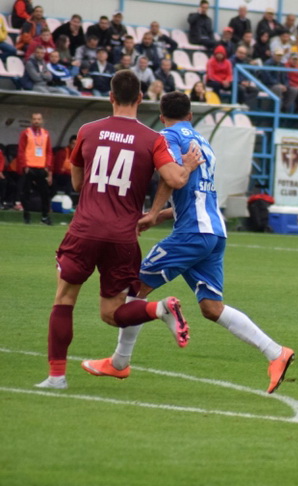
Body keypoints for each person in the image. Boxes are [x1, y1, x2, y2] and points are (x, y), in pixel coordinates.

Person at [80, 90, 295, 393]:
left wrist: (153, 212)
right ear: (191, 116)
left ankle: (119, 363)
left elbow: (172, 178)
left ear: (162, 115)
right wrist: (161, 216)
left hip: (192, 234)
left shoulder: (166, 136)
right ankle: (276, 353)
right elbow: (194, 195)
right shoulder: (204, 143)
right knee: (211, 306)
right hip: (214, 232)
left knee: (135, 289)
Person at [34, 70, 201, 390]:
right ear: (140, 98)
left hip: (85, 229)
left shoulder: (87, 131)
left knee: (64, 298)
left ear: (110, 97)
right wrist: (189, 166)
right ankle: (158, 308)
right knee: (112, 312)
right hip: (124, 235)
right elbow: (175, 179)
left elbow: (78, 183)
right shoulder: (153, 139)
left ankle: (56, 377)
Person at [17, 112, 53, 224]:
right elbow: (21, 150)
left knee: (45, 193)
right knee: (25, 193)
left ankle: (44, 216)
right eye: (34, 119)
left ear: (42, 120)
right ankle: (26, 216)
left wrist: (48, 167)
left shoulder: (45, 133)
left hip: (41, 168)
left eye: (38, 119)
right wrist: (24, 165)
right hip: (29, 167)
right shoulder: (26, 133)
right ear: (31, 120)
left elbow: (49, 152)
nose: (36, 121)